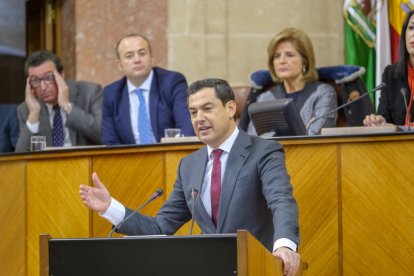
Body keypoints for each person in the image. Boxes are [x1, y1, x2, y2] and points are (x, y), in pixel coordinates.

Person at [80, 78, 301, 276]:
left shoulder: (263, 151)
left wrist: (284, 246)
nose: (199, 119)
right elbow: (160, 228)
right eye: (193, 112)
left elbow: (281, 200)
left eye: (207, 109)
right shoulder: (189, 166)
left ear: (230, 108)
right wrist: (110, 207)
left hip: (255, 267)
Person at [102, 33, 194, 145]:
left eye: (142, 53)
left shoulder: (172, 82)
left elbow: (186, 130)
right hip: (131, 160)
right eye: (129, 56)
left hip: (170, 158)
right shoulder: (111, 94)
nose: (137, 60)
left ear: (152, 58)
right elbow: (110, 142)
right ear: (120, 65)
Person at [245, 27, 337, 135]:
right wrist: (305, 129)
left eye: (289, 55)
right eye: (277, 56)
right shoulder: (264, 98)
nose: (282, 61)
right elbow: (252, 140)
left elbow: (315, 137)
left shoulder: (323, 93)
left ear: (305, 61)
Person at [15, 50, 103, 152]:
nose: (43, 87)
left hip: (84, 165)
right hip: (48, 167)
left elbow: (104, 135)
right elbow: (20, 158)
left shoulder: (90, 93)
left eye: (48, 78)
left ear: (61, 75)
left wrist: (67, 106)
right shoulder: (27, 109)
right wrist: (33, 116)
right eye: (35, 81)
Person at [364, 10, 414, 127]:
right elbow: (384, 115)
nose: (413, 34)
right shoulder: (391, 74)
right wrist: (381, 121)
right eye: (411, 28)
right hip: (398, 145)